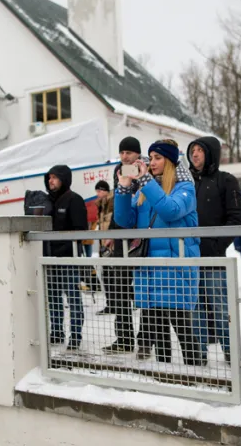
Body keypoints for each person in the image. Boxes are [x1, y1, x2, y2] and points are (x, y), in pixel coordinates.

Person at [115, 139, 202, 365]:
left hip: (176, 269)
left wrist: (145, 181)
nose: (151, 162)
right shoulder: (145, 191)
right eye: (150, 157)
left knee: (183, 330)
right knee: (157, 331)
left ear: (170, 161)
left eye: (157, 158)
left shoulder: (185, 188)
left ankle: (196, 373)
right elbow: (124, 220)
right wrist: (124, 188)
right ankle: (165, 375)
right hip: (149, 269)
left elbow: (171, 210)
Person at [187, 136, 241, 363]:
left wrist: (216, 245)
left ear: (211, 154)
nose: (195, 154)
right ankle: (199, 355)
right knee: (195, 310)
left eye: (200, 150)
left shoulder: (226, 181)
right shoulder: (187, 182)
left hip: (215, 260)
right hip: (190, 257)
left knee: (220, 309)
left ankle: (231, 353)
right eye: (193, 150)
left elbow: (236, 219)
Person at [99, 137, 147, 353]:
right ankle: (124, 338)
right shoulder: (118, 170)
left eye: (129, 152)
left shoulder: (146, 169)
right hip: (121, 236)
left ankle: (146, 339)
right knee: (119, 288)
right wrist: (110, 231)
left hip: (142, 235)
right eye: (122, 152)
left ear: (138, 153)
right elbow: (116, 202)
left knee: (145, 289)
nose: (125, 156)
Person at [44, 165, 88, 351]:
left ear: (64, 179)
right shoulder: (46, 201)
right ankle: (56, 331)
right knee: (53, 297)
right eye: (49, 178)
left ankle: (75, 335)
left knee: (72, 297)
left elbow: (81, 230)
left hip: (68, 258)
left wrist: (67, 248)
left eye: (54, 178)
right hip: (48, 258)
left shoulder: (74, 200)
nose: (50, 181)